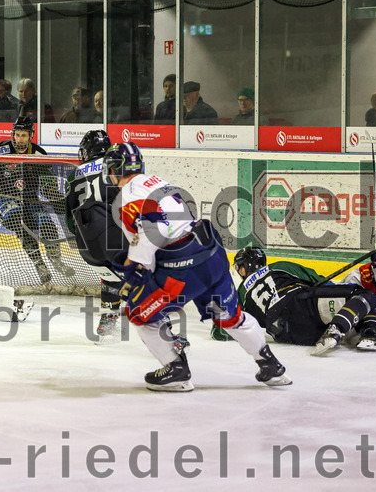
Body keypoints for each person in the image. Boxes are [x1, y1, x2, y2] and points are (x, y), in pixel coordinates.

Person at [104, 142, 289, 391]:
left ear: (114, 170)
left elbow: (149, 232)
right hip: (211, 256)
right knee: (229, 317)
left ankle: (176, 370)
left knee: (139, 313)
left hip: (182, 270)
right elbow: (177, 221)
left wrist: (134, 271)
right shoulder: (158, 181)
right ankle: (271, 366)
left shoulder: (126, 196)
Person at [225, 246, 376, 355]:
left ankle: (361, 333)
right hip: (300, 304)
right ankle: (359, 331)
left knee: (356, 310)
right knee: (365, 296)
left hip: (288, 334)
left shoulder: (242, 293)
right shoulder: (279, 267)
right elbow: (318, 280)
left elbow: (226, 328)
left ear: (244, 267)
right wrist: (338, 292)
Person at [0, 116, 75, 285]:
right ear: (12, 134)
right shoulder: (0, 150)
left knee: (47, 224)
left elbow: (47, 179)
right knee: (21, 224)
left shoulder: (39, 154)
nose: (19, 139)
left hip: (30, 198)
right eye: (17, 135)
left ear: (31, 136)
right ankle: (39, 264)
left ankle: (56, 260)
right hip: (3, 197)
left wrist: (52, 193)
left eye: (23, 135)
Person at [64, 130, 129, 344]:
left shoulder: (74, 175)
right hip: (115, 239)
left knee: (111, 274)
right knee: (143, 271)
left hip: (87, 249)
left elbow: (70, 221)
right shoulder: (116, 165)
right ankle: (164, 325)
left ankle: (108, 323)